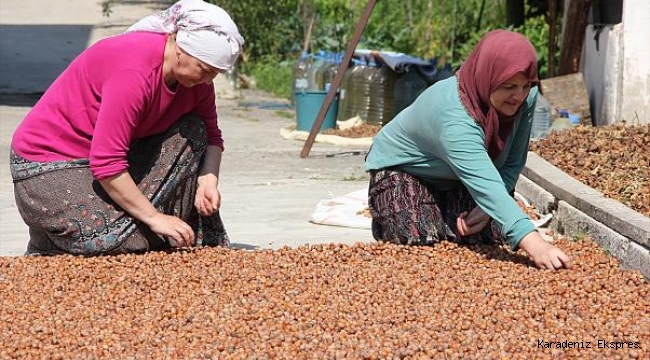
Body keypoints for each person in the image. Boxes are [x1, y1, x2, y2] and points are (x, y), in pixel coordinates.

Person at [10, 0, 244, 256]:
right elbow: (107, 163)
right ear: (180, 47)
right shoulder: (134, 72)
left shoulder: (197, 83)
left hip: (103, 165)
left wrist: (208, 182)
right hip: (48, 166)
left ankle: (145, 224)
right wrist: (154, 217)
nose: (208, 80)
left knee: (194, 131)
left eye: (215, 74)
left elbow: (211, 136)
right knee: (123, 242)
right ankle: (50, 240)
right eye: (205, 69)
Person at [364, 30, 571, 270]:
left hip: (458, 178)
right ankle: (389, 213)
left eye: (526, 85)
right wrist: (536, 245)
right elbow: (485, 183)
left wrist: (485, 209)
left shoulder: (527, 97)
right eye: (509, 86)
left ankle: (442, 214)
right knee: (419, 238)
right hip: (406, 171)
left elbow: (512, 162)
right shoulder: (456, 118)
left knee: (488, 234)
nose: (519, 95)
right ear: (487, 78)